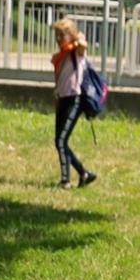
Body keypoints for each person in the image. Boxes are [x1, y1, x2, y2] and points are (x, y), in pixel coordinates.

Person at [50, 18, 97, 189]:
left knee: (61, 140)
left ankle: (65, 180)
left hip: (74, 98)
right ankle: (84, 174)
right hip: (62, 98)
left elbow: (83, 46)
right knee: (59, 141)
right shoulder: (61, 55)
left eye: (63, 34)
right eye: (57, 35)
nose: (60, 38)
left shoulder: (76, 50)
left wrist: (78, 38)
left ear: (71, 34)